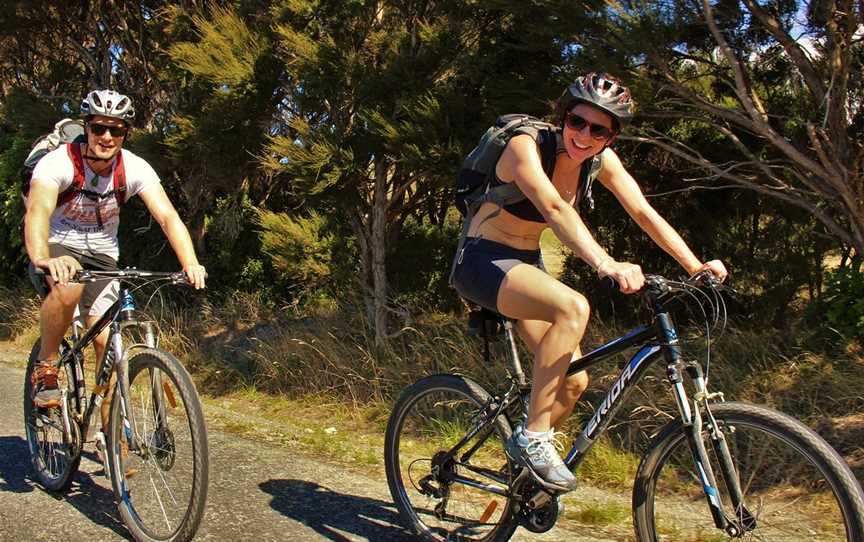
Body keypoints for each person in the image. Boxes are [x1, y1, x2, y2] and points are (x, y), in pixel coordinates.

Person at [451, 73, 728, 492]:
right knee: (573, 307)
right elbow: (554, 209)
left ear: (611, 138)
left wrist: (695, 267)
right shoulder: (525, 146)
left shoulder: (600, 161)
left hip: (526, 264)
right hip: (481, 259)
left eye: (599, 130)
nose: (585, 135)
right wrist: (605, 263)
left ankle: (522, 472)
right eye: (577, 122)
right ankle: (535, 438)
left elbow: (644, 213)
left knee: (575, 380)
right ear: (564, 116)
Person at [24, 89, 206, 435]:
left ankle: (111, 439)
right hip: (59, 242)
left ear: (125, 133)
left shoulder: (134, 167)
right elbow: (38, 211)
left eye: (117, 130)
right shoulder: (58, 163)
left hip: (104, 253)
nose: (107, 137)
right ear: (87, 127)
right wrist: (43, 259)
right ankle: (46, 365)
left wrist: (190, 263)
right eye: (99, 128)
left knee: (109, 347)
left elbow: (167, 216)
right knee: (68, 286)